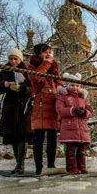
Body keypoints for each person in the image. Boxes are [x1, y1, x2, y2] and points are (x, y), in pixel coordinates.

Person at [0, 48, 31, 174]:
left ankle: (21, 165)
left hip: (23, 106)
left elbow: (31, 89)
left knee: (22, 135)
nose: (13, 61)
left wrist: (21, 88)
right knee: (14, 137)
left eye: (15, 59)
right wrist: (4, 84)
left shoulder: (26, 70)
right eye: (11, 59)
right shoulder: (5, 70)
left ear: (20, 59)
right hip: (10, 106)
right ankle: (18, 164)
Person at [28, 43, 60, 175]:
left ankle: (51, 165)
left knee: (52, 137)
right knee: (39, 138)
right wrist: (46, 63)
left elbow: (59, 83)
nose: (48, 54)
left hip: (52, 105)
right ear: (38, 53)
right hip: (40, 106)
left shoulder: (54, 68)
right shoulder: (32, 66)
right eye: (45, 52)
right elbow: (36, 78)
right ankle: (38, 167)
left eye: (49, 52)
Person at [56, 73, 93, 175]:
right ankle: (72, 168)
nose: (75, 88)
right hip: (69, 128)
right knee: (71, 150)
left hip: (82, 129)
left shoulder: (83, 98)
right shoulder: (63, 97)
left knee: (82, 150)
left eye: (77, 85)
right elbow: (60, 110)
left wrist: (84, 112)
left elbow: (90, 110)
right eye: (72, 85)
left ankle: (82, 167)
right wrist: (73, 111)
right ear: (67, 86)